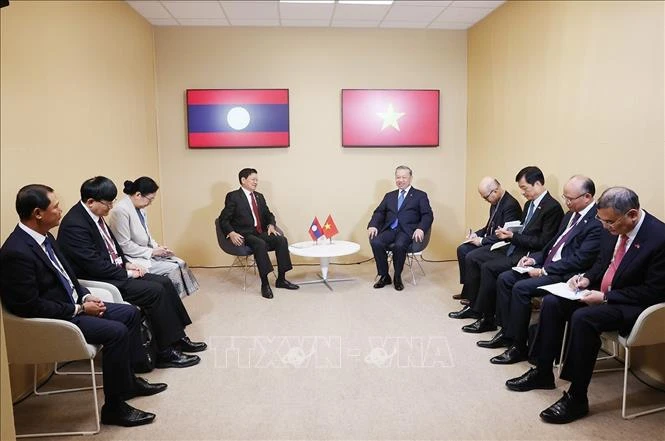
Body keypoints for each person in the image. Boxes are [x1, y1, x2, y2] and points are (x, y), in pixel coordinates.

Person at [0, 184, 166, 427]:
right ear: (38, 213)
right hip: (57, 319)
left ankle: (128, 382)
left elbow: (68, 276)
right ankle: (114, 408)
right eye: (55, 206)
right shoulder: (16, 252)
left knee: (130, 313)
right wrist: (78, 309)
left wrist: (85, 296)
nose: (61, 210)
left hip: (74, 306)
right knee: (116, 332)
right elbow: (29, 306)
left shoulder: (45, 238)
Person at [505, 187, 665, 424]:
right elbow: (603, 263)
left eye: (610, 223)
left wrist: (606, 298)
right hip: (602, 290)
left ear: (631, 214)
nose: (605, 228)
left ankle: (577, 397)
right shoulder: (611, 225)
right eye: (602, 221)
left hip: (636, 304)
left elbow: (654, 291)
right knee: (551, 302)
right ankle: (542, 371)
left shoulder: (659, 238)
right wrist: (586, 278)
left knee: (584, 318)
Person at [57, 176, 206, 369]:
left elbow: (114, 248)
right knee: (154, 291)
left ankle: (177, 338)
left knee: (164, 283)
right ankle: (164, 352)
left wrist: (127, 264)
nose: (111, 207)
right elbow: (93, 265)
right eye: (108, 203)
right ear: (91, 202)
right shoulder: (75, 224)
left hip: (114, 269)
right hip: (100, 278)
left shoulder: (94, 216)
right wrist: (126, 274)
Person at [482, 176, 602, 363]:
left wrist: (544, 271)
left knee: (521, 288)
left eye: (570, 199)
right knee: (505, 278)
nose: (566, 202)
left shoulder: (597, 221)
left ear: (587, 197)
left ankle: (518, 346)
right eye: (565, 197)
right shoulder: (571, 215)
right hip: (548, 264)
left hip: (564, 274)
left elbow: (581, 259)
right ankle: (508, 333)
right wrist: (534, 258)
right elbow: (552, 244)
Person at [449, 166, 564, 333]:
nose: (522, 192)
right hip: (515, 247)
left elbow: (543, 242)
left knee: (488, 267)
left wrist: (511, 236)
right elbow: (521, 230)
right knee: (474, 257)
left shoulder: (552, 207)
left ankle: (486, 317)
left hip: (527, 254)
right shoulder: (529, 205)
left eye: (524, 188)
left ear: (538, 184)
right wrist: (510, 234)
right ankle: (478, 309)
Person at [108, 177, 199, 298]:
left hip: (145, 252)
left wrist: (160, 249)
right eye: (150, 199)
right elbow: (123, 245)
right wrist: (152, 252)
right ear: (138, 194)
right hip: (132, 257)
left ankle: (173, 301)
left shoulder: (140, 209)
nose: (150, 203)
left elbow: (147, 236)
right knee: (173, 268)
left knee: (180, 263)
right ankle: (171, 302)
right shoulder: (120, 211)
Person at [218, 168, 299, 299]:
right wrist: (231, 232)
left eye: (257, 180)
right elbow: (223, 219)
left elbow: (268, 214)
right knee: (260, 244)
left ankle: (281, 279)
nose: (256, 182)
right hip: (245, 234)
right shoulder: (233, 196)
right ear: (243, 180)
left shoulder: (259, 197)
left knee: (281, 240)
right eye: (253, 179)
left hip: (260, 231)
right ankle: (265, 284)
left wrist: (271, 225)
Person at [455, 177, 522, 302]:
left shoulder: (510, 205)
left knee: (471, 256)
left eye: (485, 197)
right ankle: (469, 289)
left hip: (502, 245)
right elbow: (489, 227)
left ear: (495, 191)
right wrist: (476, 234)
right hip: (491, 240)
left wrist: (481, 241)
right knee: (462, 249)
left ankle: (473, 296)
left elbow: (504, 234)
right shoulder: (495, 202)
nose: (485, 200)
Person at [367, 165, 434, 291]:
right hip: (390, 229)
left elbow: (427, 215)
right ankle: (385, 275)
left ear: (410, 178)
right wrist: (373, 225)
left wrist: (420, 228)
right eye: (398, 177)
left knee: (399, 245)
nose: (401, 180)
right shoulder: (389, 196)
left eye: (404, 177)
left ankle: (397, 276)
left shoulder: (420, 195)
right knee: (376, 241)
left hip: (407, 231)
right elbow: (379, 212)